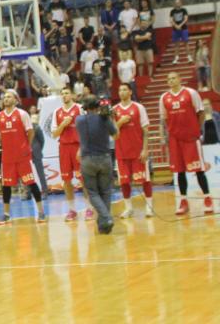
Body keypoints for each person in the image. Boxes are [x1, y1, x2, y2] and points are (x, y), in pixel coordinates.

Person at [159, 72, 213, 215]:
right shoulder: (164, 98)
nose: (171, 80)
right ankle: (183, 201)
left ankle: (208, 198)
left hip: (191, 139)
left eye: (173, 78)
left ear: (179, 79)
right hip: (175, 140)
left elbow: (201, 113)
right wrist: (166, 135)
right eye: (168, 79)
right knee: (180, 171)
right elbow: (164, 119)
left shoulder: (191, 93)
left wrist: (197, 131)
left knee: (199, 170)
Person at [0, 91, 46, 223]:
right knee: (6, 186)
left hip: (22, 156)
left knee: (31, 183)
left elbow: (30, 132)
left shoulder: (22, 114)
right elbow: (0, 136)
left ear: (15, 100)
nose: (6, 99)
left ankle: (41, 212)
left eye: (9, 97)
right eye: (4, 97)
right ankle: (6, 214)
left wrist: (26, 146)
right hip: (7, 157)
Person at [76, 97, 119, 234]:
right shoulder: (105, 119)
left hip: (88, 159)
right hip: (105, 158)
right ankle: (104, 223)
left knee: (93, 192)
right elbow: (116, 135)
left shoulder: (79, 120)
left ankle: (106, 219)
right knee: (105, 191)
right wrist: (111, 118)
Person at [112, 83, 154, 218]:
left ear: (130, 92)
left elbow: (146, 131)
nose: (122, 92)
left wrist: (145, 149)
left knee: (145, 179)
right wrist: (120, 122)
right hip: (122, 153)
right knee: (124, 182)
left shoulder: (139, 107)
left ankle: (149, 207)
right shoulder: (114, 110)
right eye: (120, 90)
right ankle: (128, 208)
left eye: (125, 89)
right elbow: (113, 134)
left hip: (138, 152)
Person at [51, 87, 89, 221]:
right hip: (64, 148)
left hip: (78, 146)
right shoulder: (57, 112)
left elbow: (86, 129)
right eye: (62, 94)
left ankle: (89, 208)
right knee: (66, 181)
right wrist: (63, 124)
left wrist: (83, 147)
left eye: (66, 93)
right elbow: (54, 134)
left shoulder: (80, 108)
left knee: (84, 179)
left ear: (72, 95)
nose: (64, 95)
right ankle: (72, 210)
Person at [169, 0, 188, 64]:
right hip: (175, 29)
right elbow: (171, 20)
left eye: (178, 2)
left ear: (181, 3)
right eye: (176, 3)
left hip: (183, 28)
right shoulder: (172, 11)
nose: (177, 4)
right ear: (175, 4)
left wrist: (180, 25)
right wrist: (176, 26)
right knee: (176, 44)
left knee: (186, 43)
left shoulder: (184, 10)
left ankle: (189, 57)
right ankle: (176, 58)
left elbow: (186, 19)